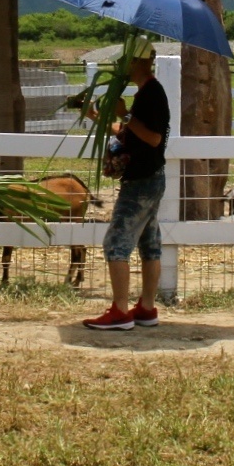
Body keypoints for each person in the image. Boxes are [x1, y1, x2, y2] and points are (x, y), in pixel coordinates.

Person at [83, 42, 169, 330]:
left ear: (137, 62)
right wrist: (99, 118)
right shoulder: (147, 93)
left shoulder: (152, 95)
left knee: (115, 244)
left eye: (126, 61)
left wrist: (125, 114)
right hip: (151, 178)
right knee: (149, 244)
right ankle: (146, 308)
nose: (123, 67)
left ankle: (120, 312)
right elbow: (132, 133)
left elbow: (153, 138)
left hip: (141, 181)